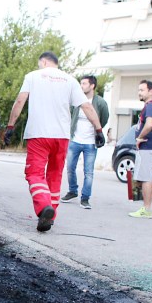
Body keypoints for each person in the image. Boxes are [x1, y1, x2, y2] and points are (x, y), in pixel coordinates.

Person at [3, 52, 104, 232]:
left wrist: (10, 126)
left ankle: (43, 207)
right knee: (55, 175)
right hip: (62, 137)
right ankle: (50, 217)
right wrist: (98, 130)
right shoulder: (70, 80)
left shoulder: (33, 76)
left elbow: (20, 101)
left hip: (38, 134)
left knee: (34, 173)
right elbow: (86, 106)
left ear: (43, 61)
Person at [61, 75, 110, 209]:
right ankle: (72, 191)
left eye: (84, 83)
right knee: (70, 168)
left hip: (90, 142)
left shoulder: (100, 102)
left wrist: (98, 132)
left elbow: (104, 118)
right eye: (80, 83)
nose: (81, 86)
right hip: (75, 140)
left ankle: (85, 198)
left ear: (92, 86)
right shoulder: (76, 101)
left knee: (88, 172)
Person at [129, 79, 152, 219]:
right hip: (149, 146)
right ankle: (146, 208)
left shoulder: (151, 106)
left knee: (146, 178)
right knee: (146, 177)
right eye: (139, 90)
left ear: (151, 91)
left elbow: (149, 124)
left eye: (142, 90)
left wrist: (139, 138)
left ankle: (146, 209)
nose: (139, 92)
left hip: (147, 146)